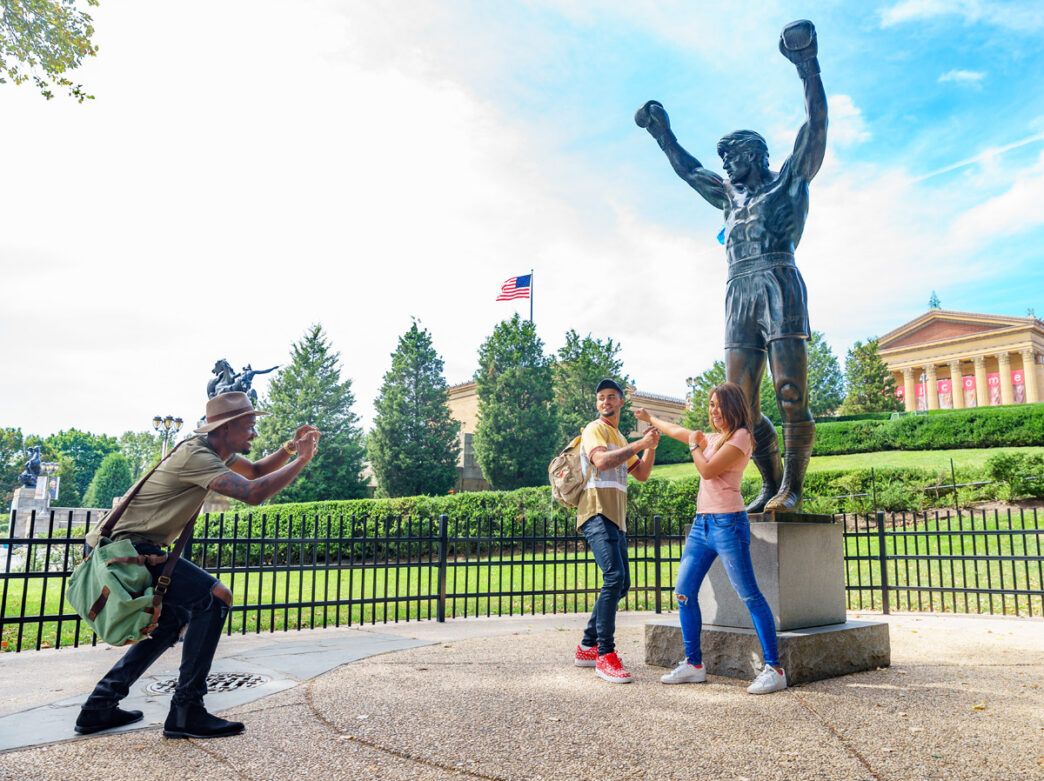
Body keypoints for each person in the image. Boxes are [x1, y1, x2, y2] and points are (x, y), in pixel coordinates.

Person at [635, 19, 827, 512]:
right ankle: (772, 482)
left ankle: (796, 490)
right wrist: (663, 133)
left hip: (778, 281)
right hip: (738, 290)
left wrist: (807, 66)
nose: (725, 165)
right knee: (740, 407)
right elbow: (686, 168)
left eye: (733, 156)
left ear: (756, 154)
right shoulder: (726, 197)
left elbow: (816, 127)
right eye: (722, 158)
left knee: (789, 390)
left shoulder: (787, 182)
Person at [75, 391, 321, 739]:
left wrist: (290, 449)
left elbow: (253, 471)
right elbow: (253, 493)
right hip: (130, 551)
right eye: (249, 426)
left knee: (170, 621)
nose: (254, 433)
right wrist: (304, 460)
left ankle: (99, 706)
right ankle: (187, 709)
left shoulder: (211, 451)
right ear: (224, 428)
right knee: (216, 598)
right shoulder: (196, 455)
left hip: (137, 549)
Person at [635, 382, 786, 694]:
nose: (713, 411)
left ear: (732, 406)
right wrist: (651, 419)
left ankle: (775, 668)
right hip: (702, 525)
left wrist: (694, 445)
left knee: (749, 595)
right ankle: (693, 664)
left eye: (718, 405)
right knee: (684, 591)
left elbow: (707, 470)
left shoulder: (742, 437)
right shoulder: (714, 438)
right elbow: (678, 430)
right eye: (710, 406)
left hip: (728, 524)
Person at [572, 378, 659, 683]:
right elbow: (601, 461)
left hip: (615, 517)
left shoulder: (621, 437)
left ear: (621, 402)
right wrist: (640, 444)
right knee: (614, 577)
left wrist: (651, 447)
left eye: (611, 397)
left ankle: (587, 645)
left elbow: (643, 474)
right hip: (596, 511)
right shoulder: (595, 428)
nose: (605, 402)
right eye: (601, 398)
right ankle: (604, 655)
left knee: (622, 584)